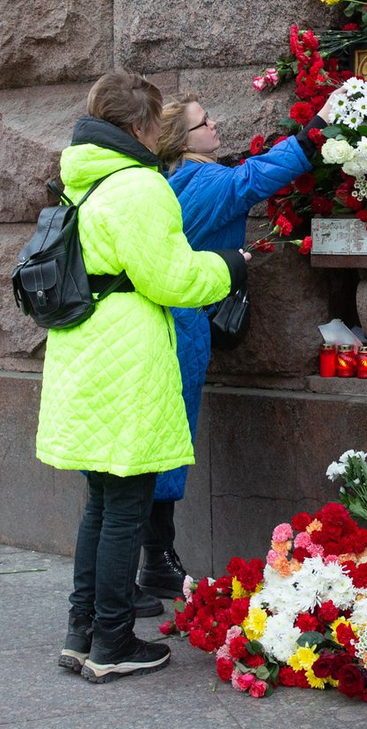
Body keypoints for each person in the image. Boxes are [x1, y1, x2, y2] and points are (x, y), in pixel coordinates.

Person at [36, 71, 247, 684]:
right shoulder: (139, 186)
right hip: (126, 358)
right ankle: (113, 641)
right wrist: (227, 267)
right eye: (156, 122)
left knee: (100, 505)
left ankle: (83, 632)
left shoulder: (84, 179)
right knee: (124, 505)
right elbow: (172, 279)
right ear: (138, 126)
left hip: (83, 353)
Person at [135, 86, 345, 602]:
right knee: (167, 443)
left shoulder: (174, 180)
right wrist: (315, 130)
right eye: (205, 123)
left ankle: (149, 561)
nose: (216, 128)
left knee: (153, 441)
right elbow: (254, 178)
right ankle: (156, 560)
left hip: (157, 326)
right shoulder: (206, 182)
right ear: (182, 140)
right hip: (178, 330)